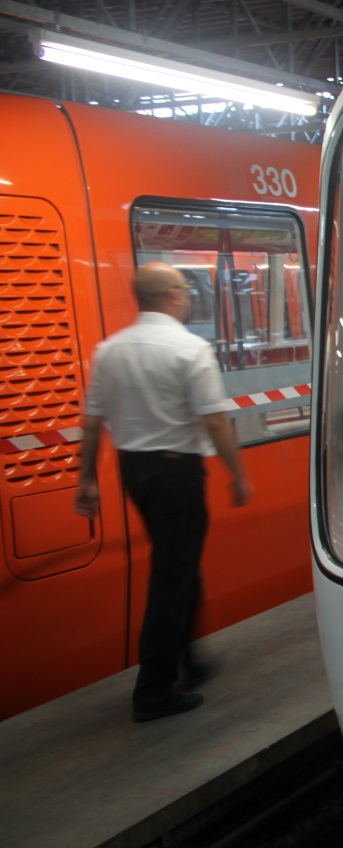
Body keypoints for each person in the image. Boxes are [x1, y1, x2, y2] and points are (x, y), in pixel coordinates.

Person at [74, 262, 252, 722]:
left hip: (135, 472)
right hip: (178, 474)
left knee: (179, 562)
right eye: (185, 289)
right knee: (171, 577)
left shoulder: (109, 350)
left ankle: (192, 661)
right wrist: (237, 473)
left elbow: (92, 421)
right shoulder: (189, 348)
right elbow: (214, 419)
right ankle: (153, 692)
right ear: (173, 294)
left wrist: (87, 479)